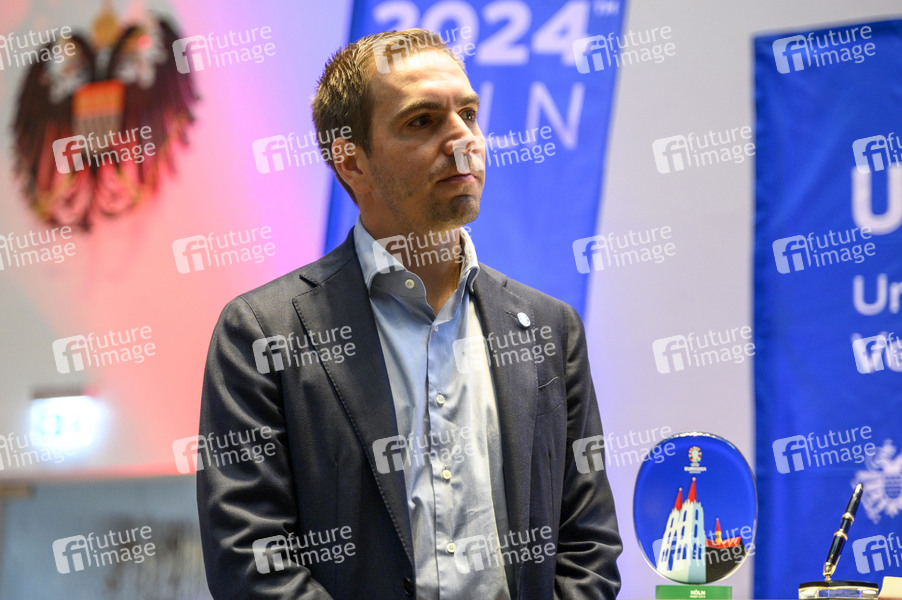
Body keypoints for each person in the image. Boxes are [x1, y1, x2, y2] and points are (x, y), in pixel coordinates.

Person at [197, 28, 622, 600]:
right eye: (422, 121)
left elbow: (589, 548)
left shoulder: (551, 329)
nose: (462, 140)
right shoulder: (262, 333)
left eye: (468, 114)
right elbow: (252, 558)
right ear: (353, 163)